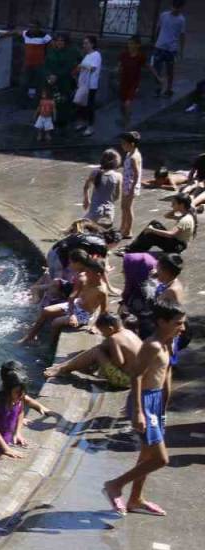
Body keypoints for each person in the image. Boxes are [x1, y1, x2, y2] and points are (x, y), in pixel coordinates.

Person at [102, 301, 185, 516]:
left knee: (147, 455)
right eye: (178, 323)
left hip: (156, 403)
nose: (182, 328)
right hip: (145, 402)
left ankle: (136, 499)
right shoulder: (152, 345)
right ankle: (115, 485)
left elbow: (166, 374)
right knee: (160, 459)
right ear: (162, 322)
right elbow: (136, 375)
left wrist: (163, 407)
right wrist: (139, 411)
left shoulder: (168, 342)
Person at [45, 312, 142, 389]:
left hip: (125, 381)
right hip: (137, 380)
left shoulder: (114, 338)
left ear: (110, 329)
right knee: (98, 349)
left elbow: (119, 362)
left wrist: (104, 360)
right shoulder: (128, 332)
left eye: (103, 332)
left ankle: (63, 369)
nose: (103, 335)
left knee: (97, 352)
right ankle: (64, 367)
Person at [125, 193, 197, 255]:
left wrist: (152, 230)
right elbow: (167, 216)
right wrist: (175, 209)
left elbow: (171, 234)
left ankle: (133, 250)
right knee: (154, 223)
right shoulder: (185, 215)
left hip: (177, 246)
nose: (171, 205)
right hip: (176, 242)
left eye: (174, 203)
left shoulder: (185, 219)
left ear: (181, 205)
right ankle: (133, 247)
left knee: (151, 234)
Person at [151, 0, 186, 98]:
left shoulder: (181, 20)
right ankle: (158, 87)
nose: (175, 9)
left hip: (171, 49)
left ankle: (169, 89)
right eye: (174, 7)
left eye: (178, 7)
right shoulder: (164, 15)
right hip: (160, 46)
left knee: (170, 70)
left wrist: (181, 50)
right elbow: (158, 28)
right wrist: (155, 41)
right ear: (171, 6)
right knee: (157, 69)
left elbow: (182, 35)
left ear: (181, 8)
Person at [117, 37, 152, 127]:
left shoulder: (140, 56)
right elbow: (119, 65)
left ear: (138, 45)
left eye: (132, 43)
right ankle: (125, 116)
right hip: (123, 81)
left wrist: (158, 78)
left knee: (128, 102)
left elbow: (148, 66)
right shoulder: (123, 54)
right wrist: (117, 70)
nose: (130, 46)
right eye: (129, 43)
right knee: (122, 104)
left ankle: (127, 123)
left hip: (134, 83)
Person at [83, 148, 123, 227]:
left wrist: (86, 199)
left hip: (95, 212)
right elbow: (117, 196)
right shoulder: (118, 176)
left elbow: (86, 187)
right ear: (116, 162)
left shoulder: (95, 173)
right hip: (109, 214)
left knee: (78, 226)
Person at [74, 35, 101, 137]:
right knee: (81, 104)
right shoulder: (87, 55)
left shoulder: (96, 55)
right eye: (84, 43)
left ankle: (90, 126)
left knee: (89, 105)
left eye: (86, 43)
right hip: (83, 84)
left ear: (92, 44)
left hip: (91, 85)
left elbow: (93, 68)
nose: (84, 45)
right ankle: (81, 123)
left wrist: (82, 66)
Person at [118, 131, 144, 239]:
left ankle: (128, 231)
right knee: (123, 207)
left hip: (131, 186)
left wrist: (132, 189)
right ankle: (122, 228)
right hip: (127, 184)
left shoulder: (134, 157)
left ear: (131, 144)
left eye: (124, 143)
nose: (122, 145)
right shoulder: (129, 154)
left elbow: (137, 174)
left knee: (128, 208)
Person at [20, 21, 51, 99]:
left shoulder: (44, 36)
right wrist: (4, 34)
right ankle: (23, 101)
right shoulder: (26, 33)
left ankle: (36, 101)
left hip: (39, 64)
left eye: (34, 27)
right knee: (24, 82)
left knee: (38, 82)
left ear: (38, 28)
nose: (31, 29)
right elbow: (16, 32)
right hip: (27, 63)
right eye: (30, 27)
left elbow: (52, 45)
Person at [34, 77, 57, 141]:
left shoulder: (51, 101)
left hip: (48, 117)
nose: (42, 95)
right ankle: (39, 135)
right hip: (41, 116)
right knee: (39, 126)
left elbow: (54, 109)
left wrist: (54, 116)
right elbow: (39, 108)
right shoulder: (41, 101)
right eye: (42, 94)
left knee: (48, 127)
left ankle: (47, 134)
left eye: (44, 94)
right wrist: (35, 114)